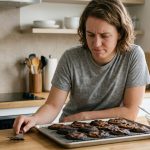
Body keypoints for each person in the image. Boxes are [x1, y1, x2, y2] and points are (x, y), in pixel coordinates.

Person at [13, 0, 150, 134]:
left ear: (119, 33)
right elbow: (53, 105)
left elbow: (130, 112)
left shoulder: (133, 56)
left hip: (113, 132)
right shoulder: (71, 57)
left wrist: (85, 116)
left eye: (104, 36)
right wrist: (34, 118)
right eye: (90, 34)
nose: (96, 44)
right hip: (72, 130)